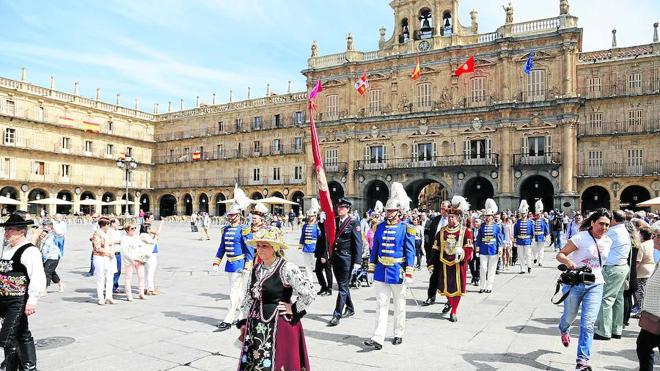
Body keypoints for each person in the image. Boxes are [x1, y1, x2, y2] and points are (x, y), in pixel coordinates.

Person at [236, 227, 315, 371]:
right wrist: (243, 320)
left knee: (281, 361)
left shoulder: (287, 268)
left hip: (281, 324)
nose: (260, 249)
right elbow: (248, 296)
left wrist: (294, 308)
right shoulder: (256, 269)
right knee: (256, 361)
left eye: (265, 245)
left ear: (275, 248)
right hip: (256, 325)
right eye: (258, 246)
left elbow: (309, 292)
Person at [556, 208, 612, 371]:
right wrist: (569, 262)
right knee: (569, 316)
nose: (604, 227)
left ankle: (582, 361)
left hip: (596, 284)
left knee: (588, 324)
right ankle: (563, 328)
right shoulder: (580, 237)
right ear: (593, 222)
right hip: (575, 283)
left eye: (607, 225)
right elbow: (561, 254)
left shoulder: (608, 241)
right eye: (601, 223)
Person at [364, 183, 415, 350]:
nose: (388, 213)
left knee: (399, 304)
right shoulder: (379, 227)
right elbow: (374, 250)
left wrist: (408, 273)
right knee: (381, 304)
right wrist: (371, 269)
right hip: (380, 271)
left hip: (397, 271)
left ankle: (398, 333)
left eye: (391, 211)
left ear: (398, 212)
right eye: (387, 211)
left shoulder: (406, 228)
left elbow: (410, 252)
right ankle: (377, 337)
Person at [0, 212, 47, 371]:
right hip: (4, 300)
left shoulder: (29, 250)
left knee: (7, 337)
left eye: (9, 230)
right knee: (21, 333)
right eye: (5, 230)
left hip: (18, 300)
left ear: (21, 232)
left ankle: (14, 366)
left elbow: (38, 276)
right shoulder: (6, 248)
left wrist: (32, 299)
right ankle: (28, 367)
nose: (6, 233)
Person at [213, 192, 253, 331]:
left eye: (232, 215)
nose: (229, 217)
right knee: (239, 293)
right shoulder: (226, 230)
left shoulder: (244, 230)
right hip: (230, 264)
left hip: (240, 265)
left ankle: (228, 319)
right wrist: (217, 262)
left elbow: (249, 249)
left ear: (239, 216)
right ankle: (243, 318)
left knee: (233, 292)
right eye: (229, 215)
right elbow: (222, 247)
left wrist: (248, 265)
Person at [429, 196, 473, 322]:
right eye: (449, 217)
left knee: (457, 289)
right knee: (447, 288)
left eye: (453, 217)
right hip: (444, 263)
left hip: (459, 264)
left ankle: (454, 311)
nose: (450, 218)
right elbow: (435, 248)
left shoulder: (465, 231)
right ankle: (450, 302)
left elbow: (469, 248)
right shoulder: (442, 231)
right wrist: (431, 263)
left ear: (458, 217)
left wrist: (464, 252)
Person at [595, 210, 632, 340]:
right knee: (618, 299)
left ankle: (603, 331)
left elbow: (597, 240)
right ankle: (617, 329)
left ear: (613, 220)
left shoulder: (613, 231)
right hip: (622, 267)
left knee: (606, 299)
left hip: (612, 268)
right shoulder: (625, 230)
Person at [328, 198, 363, 327]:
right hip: (336, 258)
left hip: (347, 258)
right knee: (343, 286)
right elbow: (329, 233)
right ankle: (350, 308)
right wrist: (322, 221)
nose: (340, 209)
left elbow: (358, 242)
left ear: (348, 209)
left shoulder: (354, 222)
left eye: (343, 207)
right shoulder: (335, 221)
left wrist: (358, 261)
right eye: (338, 207)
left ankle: (337, 315)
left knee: (342, 287)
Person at [636, 226, 660, 370]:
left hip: (657, 316)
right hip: (653, 316)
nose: (655, 239)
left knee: (644, 347)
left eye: (658, 236)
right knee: (644, 347)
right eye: (656, 235)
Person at [422, 200, 450, 306]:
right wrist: (429, 255)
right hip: (436, 253)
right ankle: (431, 297)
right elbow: (429, 237)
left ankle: (449, 299)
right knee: (434, 276)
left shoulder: (453, 220)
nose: (443, 210)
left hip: (448, 254)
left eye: (445, 208)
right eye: (442, 208)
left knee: (448, 277)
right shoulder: (435, 220)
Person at [477, 199, 504, 293]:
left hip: (493, 249)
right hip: (483, 250)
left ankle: (489, 286)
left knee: (492, 269)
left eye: (489, 216)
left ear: (492, 217)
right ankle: (482, 286)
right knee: (483, 268)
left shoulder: (497, 226)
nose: (488, 218)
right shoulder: (482, 226)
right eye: (486, 216)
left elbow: (499, 238)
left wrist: (500, 248)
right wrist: (477, 248)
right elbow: (479, 238)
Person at [91, 217, 117, 305]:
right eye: (108, 224)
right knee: (101, 277)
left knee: (110, 277)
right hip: (100, 257)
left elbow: (112, 244)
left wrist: (112, 252)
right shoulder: (97, 234)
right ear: (103, 225)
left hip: (109, 257)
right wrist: (108, 253)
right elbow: (97, 247)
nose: (109, 226)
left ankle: (109, 297)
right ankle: (101, 297)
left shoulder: (109, 233)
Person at [120, 222, 147, 301]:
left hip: (139, 259)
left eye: (135, 228)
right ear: (127, 230)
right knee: (128, 278)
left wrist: (142, 257)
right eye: (132, 228)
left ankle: (141, 293)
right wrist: (132, 259)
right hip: (129, 260)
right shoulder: (124, 238)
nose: (134, 230)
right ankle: (129, 295)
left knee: (141, 276)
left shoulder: (136, 237)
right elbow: (125, 251)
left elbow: (140, 247)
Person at [633, 225, 655, 318]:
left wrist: (632, 271)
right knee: (645, 291)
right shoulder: (652, 242)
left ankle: (641, 311)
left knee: (640, 292)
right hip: (651, 269)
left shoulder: (642, 245)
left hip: (642, 271)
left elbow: (638, 261)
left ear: (641, 235)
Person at [38, 220, 64, 293]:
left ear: (50, 227)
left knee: (46, 272)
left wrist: (53, 227)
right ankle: (60, 284)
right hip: (45, 257)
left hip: (53, 256)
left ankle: (44, 290)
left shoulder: (54, 234)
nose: (44, 228)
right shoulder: (43, 234)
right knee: (51, 272)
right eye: (43, 226)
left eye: (45, 226)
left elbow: (60, 233)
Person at [299, 199, 321, 284]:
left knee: (315, 266)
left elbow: (320, 237)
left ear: (315, 216)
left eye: (311, 216)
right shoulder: (305, 226)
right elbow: (302, 237)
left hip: (314, 248)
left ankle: (319, 281)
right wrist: (300, 247)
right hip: (306, 248)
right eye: (309, 216)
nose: (309, 218)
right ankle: (310, 280)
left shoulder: (317, 226)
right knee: (307, 266)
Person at [314, 211, 333, 297]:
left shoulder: (327, 231)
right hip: (320, 254)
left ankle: (329, 289)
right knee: (318, 270)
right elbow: (322, 228)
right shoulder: (323, 229)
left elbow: (326, 243)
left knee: (328, 272)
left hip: (325, 255)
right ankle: (323, 286)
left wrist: (324, 256)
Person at [141, 213, 160, 296]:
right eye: (151, 218)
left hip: (149, 253)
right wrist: (156, 236)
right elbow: (153, 241)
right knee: (150, 271)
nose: (153, 219)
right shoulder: (144, 233)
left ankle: (146, 288)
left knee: (146, 272)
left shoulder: (145, 232)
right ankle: (150, 289)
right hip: (150, 254)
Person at [514, 200, 534, 274]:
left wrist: (533, 240)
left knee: (528, 254)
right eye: (522, 213)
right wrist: (515, 240)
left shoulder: (530, 222)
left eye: (524, 213)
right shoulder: (517, 222)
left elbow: (532, 232)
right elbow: (515, 232)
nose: (523, 215)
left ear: (526, 213)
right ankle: (522, 268)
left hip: (527, 240)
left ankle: (529, 266)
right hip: (519, 240)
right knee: (520, 255)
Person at [532, 201, 550, 267]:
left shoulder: (544, 220)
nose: (538, 216)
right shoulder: (533, 220)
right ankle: (535, 257)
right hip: (534, 237)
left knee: (541, 250)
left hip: (541, 236)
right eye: (537, 214)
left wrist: (546, 236)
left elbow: (546, 229)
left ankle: (540, 261)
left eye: (539, 214)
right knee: (534, 249)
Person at [109, 219, 122, 294]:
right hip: (112, 253)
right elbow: (110, 241)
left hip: (118, 252)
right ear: (112, 223)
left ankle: (115, 285)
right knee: (112, 271)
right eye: (117, 223)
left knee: (118, 270)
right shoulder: (109, 231)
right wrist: (117, 241)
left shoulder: (118, 231)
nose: (119, 224)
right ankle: (112, 287)